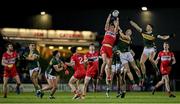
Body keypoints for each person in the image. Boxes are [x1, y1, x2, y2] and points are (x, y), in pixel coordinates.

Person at [99, 12, 119, 96]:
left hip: (110, 49)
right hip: (104, 47)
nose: (111, 27)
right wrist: (109, 16)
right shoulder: (107, 31)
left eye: (112, 26)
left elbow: (117, 26)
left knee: (109, 66)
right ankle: (102, 74)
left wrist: (117, 20)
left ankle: (108, 77)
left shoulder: (114, 33)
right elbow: (106, 23)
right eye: (110, 26)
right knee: (104, 60)